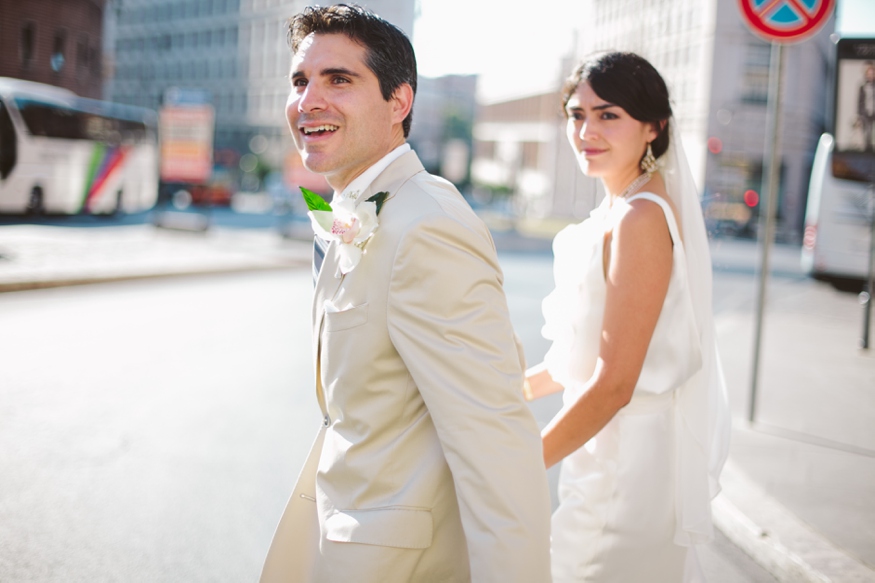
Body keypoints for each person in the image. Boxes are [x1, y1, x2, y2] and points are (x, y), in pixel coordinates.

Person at [259, 5, 552, 583]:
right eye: (300, 81)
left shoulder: (429, 225)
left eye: (338, 79)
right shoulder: (361, 207)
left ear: (399, 102)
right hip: (346, 543)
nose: (308, 100)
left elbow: (497, 443)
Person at [523, 52, 731, 582]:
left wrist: (517, 466)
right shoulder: (625, 206)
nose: (586, 130)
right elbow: (579, 362)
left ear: (653, 127)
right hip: (604, 452)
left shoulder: (641, 218)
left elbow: (615, 383)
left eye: (608, 114)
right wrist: (494, 392)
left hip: (626, 466)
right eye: (577, 114)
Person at [857, 62, 875, 152]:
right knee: (866, 132)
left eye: (872, 73)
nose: (871, 75)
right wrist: (859, 115)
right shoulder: (863, 87)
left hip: (873, 112)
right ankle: (867, 150)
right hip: (866, 113)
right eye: (869, 73)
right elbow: (859, 102)